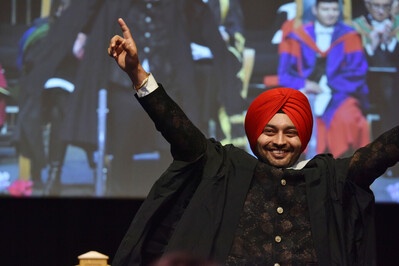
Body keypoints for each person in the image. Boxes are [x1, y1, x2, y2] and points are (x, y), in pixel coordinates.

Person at [108, 17, 398, 265]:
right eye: (270, 131)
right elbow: (178, 130)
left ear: (304, 137)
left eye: (291, 132)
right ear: (255, 132)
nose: (280, 141)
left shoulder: (329, 179)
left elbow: (382, 153)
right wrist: (137, 74)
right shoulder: (224, 168)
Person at [62, 0, 231, 197]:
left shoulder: (175, 7)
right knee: (123, 144)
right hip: (124, 87)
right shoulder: (119, 5)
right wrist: (82, 35)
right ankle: (116, 197)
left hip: (166, 83)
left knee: (169, 145)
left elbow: (197, 16)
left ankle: (167, 200)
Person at [277, 0, 370, 159]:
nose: (330, 13)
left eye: (334, 9)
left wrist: (328, 86)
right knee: (295, 117)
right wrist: (304, 84)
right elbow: (284, 74)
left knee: (347, 118)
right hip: (306, 92)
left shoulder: (350, 36)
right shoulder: (298, 37)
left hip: (341, 93)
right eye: (325, 9)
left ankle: (341, 165)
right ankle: (305, 167)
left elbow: (358, 72)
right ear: (315, 10)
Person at [352, 0, 399, 176]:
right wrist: (371, 46)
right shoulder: (357, 25)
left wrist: (389, 42)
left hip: (393, 84)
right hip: (366, 83)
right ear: (368, 5)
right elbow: (354, 60)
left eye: (385, 7)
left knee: (391, 95)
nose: (381, 11)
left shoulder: (396, 24)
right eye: (376, 6)